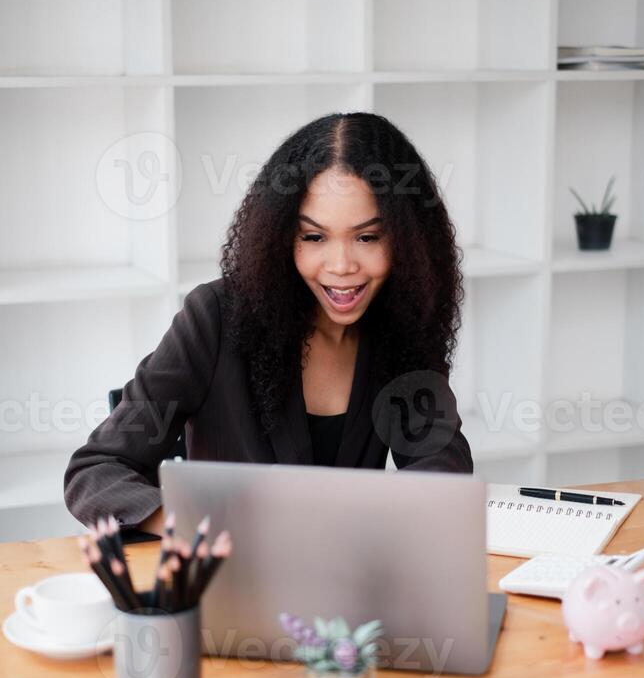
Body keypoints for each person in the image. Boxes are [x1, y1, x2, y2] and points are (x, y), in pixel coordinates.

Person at [64, 112, 473, 537]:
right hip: (231, 582)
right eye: (314, 237)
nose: (341, 266)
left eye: (367, 237)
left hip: (345, 590)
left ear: (408, 240)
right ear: (281, 237)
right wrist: (191, 526)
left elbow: (441, 468)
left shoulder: (399, 326)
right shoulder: (216, 318)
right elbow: (96, 470)